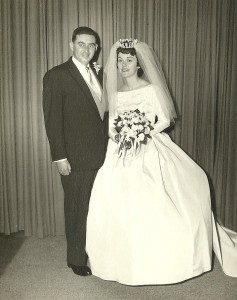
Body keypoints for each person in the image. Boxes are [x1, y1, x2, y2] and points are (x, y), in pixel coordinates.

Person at [86, 39, 237, 285]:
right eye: (120, 61)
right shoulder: (114, 92)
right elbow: (112, 124)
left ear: (139, 64)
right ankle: (120, 261)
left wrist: (141, 133)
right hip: (120, 152)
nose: (124, 65)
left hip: (149, 147)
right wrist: (121, 136)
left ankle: (160, 262)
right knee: (115, 201)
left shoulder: (150, 89)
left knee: (156, 199)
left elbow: (165, 119)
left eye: (129, 60)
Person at [43, 26, 108, 276]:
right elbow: (52, 120)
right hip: (75, 157)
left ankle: (95, 251)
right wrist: (59, 156)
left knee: (97, 207)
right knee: (77, 208)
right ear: (72, 45)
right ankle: (76, 259)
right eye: (81, 44)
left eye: (92, 45)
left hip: (103, 155)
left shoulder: (100, 74)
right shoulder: (56, 75)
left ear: (96, 48)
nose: (87, 50)